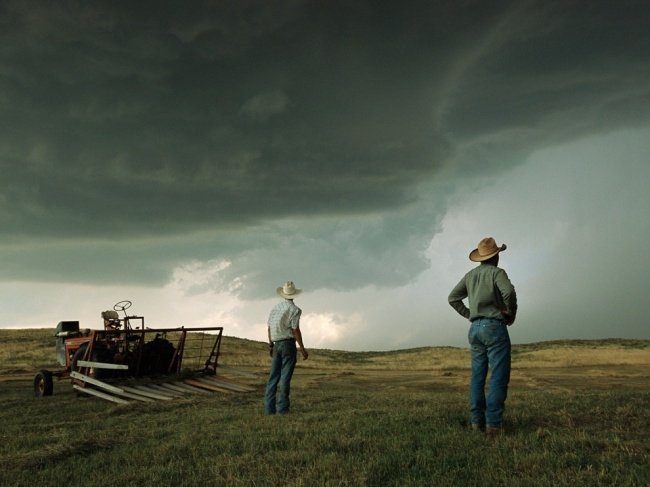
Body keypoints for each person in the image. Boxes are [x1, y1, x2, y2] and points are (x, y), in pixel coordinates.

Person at [448, 237, 517, 435]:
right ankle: (493, 425)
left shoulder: (470, 275)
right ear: (496, 256)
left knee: (478, 377)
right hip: (494, 326)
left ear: (480, 257)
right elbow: (509, 292)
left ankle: (476, 422)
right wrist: (510, 313)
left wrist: (470, 314)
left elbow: (453, 298)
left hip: (475, 329)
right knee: (498, 376)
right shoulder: (497, 273)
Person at [264, 281, 309, 415]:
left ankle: (269, 409)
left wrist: (270, 345)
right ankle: (282, 409)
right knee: (285, 377)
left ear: (283, 294)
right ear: (294, 295)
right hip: (288, 344)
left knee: (273, 377)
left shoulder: (275, 308)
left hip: (276, 344)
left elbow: (269, 328)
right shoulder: (295, 310)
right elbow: (295, 330)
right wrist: (302, 349)